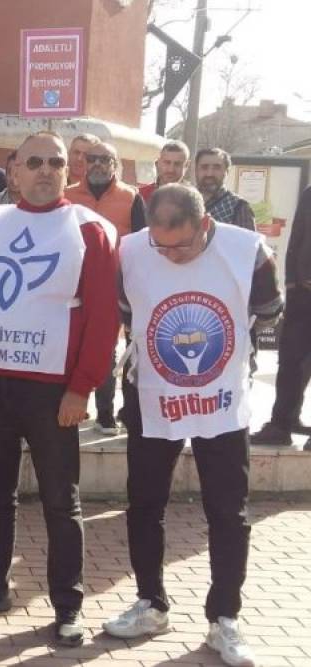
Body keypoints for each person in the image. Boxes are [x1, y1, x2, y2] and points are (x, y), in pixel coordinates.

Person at [0, 131, 120, 647]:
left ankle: (68, 605)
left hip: (53, 391)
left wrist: (82, 388)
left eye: (56, 162)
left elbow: (103, 318)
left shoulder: (90, 229)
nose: (45, 170)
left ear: (70, 170)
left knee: (61, 501)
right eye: (35, 161)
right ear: (14, 170)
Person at [102, 184, 281, 667]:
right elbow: (125, 311)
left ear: (205, 225)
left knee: (227, 510)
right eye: (160, 245)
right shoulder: (131, 250)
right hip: (152, 393)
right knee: (144, 503)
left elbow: (269, 310)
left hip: (220, 396)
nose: (169, 256)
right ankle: (151, 603)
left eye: (180, 245)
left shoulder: (248, 250)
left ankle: (225, 618)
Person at [65, 141, 146, 435]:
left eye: (105, 159)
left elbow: (142, 241)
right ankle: (69, 405)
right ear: (84, 162)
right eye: (93, 158)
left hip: (115, 284)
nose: (98, 164)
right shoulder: (68, 195)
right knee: (71, 344)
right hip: (73, 282)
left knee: (107, 347)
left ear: (115, 164)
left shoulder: (131, 197)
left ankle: (105, 413)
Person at [251, 184, 311, 448]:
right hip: (302, 293)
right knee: (290, 361)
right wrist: (291, 283)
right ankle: (282, 424)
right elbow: (297, 239)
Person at [195, 148, 255, 231]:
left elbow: (248, 239)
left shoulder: (239, 206)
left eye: (217, 168)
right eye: (204, 167)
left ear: (227, 172)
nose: (210, 173)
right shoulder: (185, 202)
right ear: (196, 171)